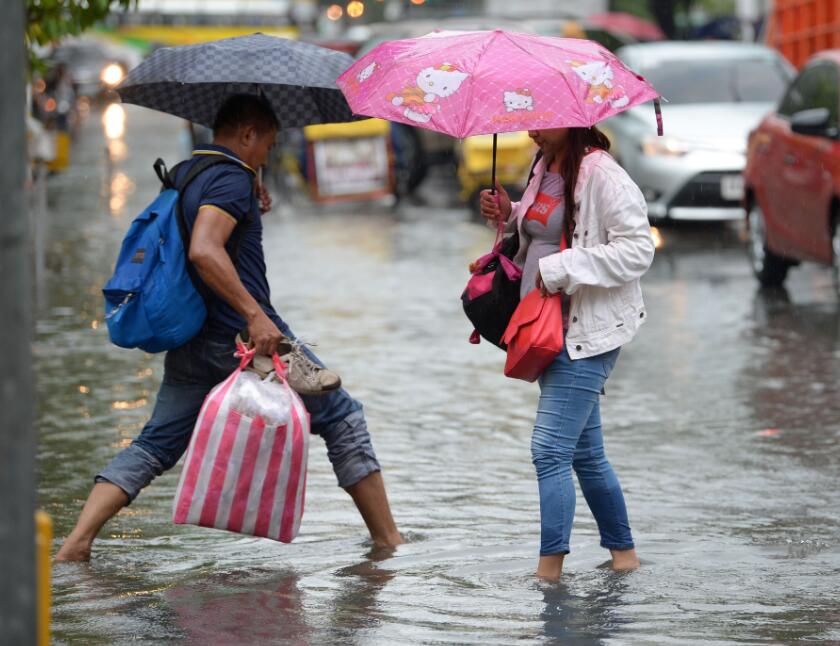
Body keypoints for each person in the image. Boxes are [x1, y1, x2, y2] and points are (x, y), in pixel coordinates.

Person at [56, 94, 403, 561]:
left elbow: (210, 233)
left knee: (155, 444)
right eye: (267, 144)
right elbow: (204, 248)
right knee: (342, 418)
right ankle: (388, 544)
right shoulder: (229, 180)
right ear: (246, 134)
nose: (267, 155)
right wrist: (254, 314)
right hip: (243, 340)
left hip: (192, 340)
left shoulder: (189, 173)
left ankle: (75, 545)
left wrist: (249, 196)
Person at [479, 126, 654, 579]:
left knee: (549, 450)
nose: (532, 129)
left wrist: (562, 269)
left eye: (542, 119)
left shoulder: (601, 173)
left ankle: (549, 575)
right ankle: (624, 559)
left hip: (585, 333)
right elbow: (545, 230)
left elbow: (637, 250)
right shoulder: (544, 164)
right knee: (585, 454)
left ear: (571, 117)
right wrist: (511, 211)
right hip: (545, 328)